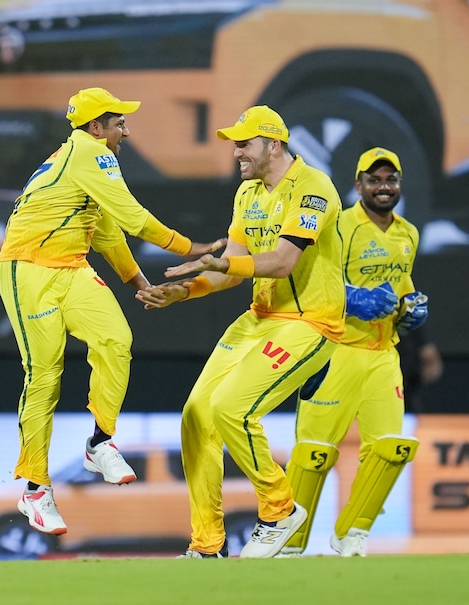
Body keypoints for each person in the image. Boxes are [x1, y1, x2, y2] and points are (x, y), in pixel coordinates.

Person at [0, 87, 226, 537]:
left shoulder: (82, 160)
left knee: (116, 340)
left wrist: (140, 284)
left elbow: (104, 232)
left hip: (72, 267)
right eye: (119, 123)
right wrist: (190, 247)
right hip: (27, 269)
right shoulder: (91, 153)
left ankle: (99, 443)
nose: (127, 131)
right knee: (44, 375)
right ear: (96, 127)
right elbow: (133, 218)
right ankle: (35, 490)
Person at [136, 105, 345, 559]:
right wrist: (183, 291)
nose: (236, 153)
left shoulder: (313, 188)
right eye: (235, 144)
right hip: (260, 317)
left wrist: (226, 262)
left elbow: (282, 262)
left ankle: (280, 510)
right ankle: (208, 545)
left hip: (309, 322)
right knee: (197, 414)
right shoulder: (248, 192)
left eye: (245, 144)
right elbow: (227, 270)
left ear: (274, 144)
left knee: (231, 408)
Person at [278, 147, 428, 558]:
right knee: (313, 454)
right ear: (358, 185)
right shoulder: (339, 226)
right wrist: (352, 298)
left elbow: (402, 283)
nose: (384, 187)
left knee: (392, 449)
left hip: (383, 355)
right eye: (374, 180)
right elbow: (307, 280)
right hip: (335, 350)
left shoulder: (408, 233)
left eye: (391, 179)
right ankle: (289, 544)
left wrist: (411, 306)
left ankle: (353, 533)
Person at [396, 325, 443, 413]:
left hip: (408, 390)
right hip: (380, 387)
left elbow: (428, 354)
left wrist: (430, 365)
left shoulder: (407, 322)